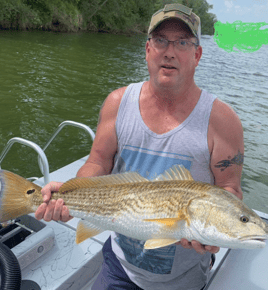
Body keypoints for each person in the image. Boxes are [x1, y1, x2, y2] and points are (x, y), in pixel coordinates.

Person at [35, 3, 244, 290]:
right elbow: (98, 161)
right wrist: (70, 193)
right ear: (147, 49)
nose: (169, 51)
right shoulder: (118, 103)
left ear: (197, 54)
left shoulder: (223, 120)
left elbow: (229, 189)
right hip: (119, 266)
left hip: (184, 278)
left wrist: (211, 229)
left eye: (182, 42)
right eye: (160, 40)